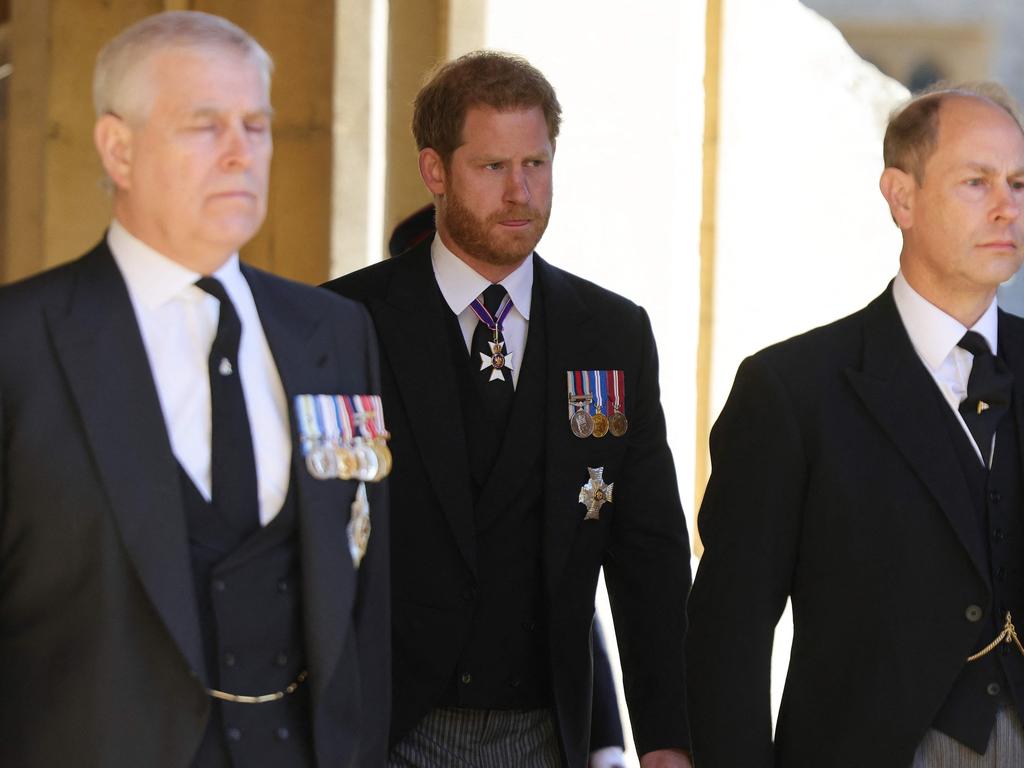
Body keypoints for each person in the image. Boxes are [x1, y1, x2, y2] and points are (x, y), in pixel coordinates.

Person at [0, 11, 388, 767]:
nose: (241, 153)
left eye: (258, 124)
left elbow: (368, 591)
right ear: (118, 148)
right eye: (204, 126)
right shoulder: (18, 343)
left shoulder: (335, 334)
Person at [323, 51, 692, 768]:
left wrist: (668, 738)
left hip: (549, 731)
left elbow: (649, 554)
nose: (520, 191)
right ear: (435, 171)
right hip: (383, 730)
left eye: (537, 163)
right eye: (493, 167)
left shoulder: (613, 331)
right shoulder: (344, 322)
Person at [686, 82, 1024, 767]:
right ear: (901, 197)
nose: (1006, 207)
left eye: (1019, 183)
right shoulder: (791, 391)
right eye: (975, 181)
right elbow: (730, 635)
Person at [387, 205, 629, 767]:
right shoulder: (363, 332)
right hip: (401, 712)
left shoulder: (587, 333)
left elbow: (573, 580)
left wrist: (607, 737)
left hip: (533, 715)